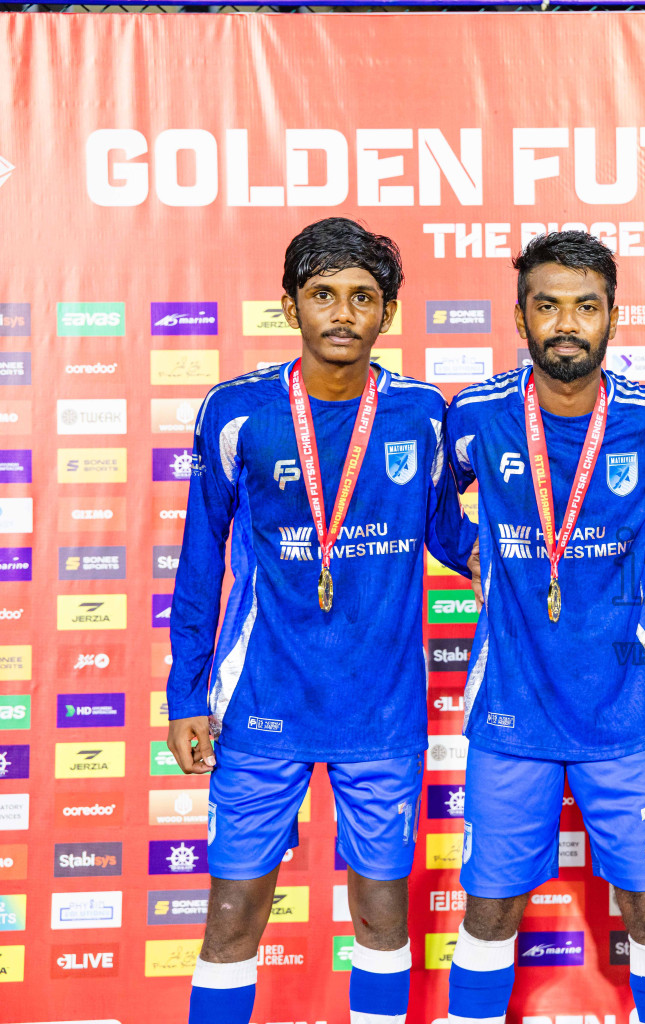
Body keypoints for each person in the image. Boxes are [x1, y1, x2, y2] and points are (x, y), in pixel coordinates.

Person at [167, 217, 476, 1024]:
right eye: (323, 294)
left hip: (382, 706)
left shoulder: (420, 413)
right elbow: (200, 562)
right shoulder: (237, 411)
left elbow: (451, 535)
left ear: (388, 313)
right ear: (290, 306)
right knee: (232, 918)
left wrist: (547, 560)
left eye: (363, 297)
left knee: (381, 918)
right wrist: (185, 694)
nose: (343, 313)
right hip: (261, 700)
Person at [441, 232, 645, 1024]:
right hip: (510, 711)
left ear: (612, 318)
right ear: (520, 317)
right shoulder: (477, 415)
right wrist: (477, 555)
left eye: (585, 307)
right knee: (489, 911)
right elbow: (423, 505)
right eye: (547, 306)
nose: (567, 324)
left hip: (620, 713)